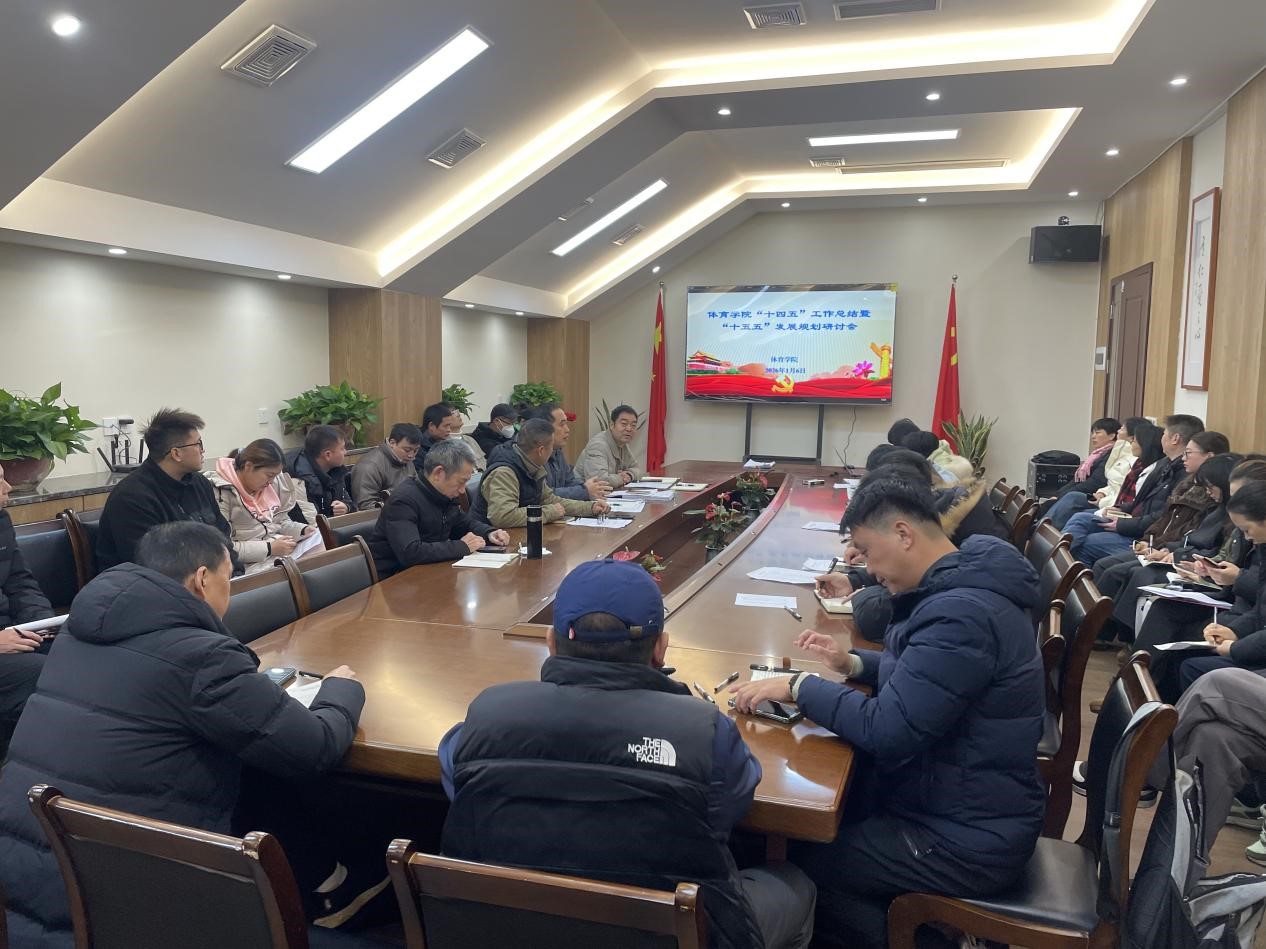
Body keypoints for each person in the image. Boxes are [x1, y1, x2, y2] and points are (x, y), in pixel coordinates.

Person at [0, 522, 365, 946]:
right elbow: (314, 749)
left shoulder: (77, 636)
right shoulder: (202, 656)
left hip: (19, 885)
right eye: (229, 578)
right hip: (122, 910)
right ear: (203, 579)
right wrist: (340, 689)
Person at [439, 559, 817, 949]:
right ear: (661, 648)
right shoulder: (706, 732)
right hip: (667, 934)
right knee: (796, 885)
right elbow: (730, 804)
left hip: (510, 929)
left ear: (551, 643)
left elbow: (457, 773)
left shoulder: (485, 716)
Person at [732, 478, 1044, 949]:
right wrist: (855, 665)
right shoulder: (965, 581)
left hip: (964, 838)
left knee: (809, 868)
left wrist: (800, 687)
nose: (869, 569)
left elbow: (889, 729)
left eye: (867, 551)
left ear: (903, 534)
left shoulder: (961, 615)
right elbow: (930, 675)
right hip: (961, 802)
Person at [95, 407, 242, 573]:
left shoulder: (200, 483)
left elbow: (222, 539)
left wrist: (236, 573)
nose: (203, 450)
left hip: (209, 579)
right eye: (198, 444)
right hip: (150, 585)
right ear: (176, 453)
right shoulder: (131, 498)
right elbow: (150, 565)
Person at [1063, 414, 1206, 565]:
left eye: (1164, 433)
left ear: (1175, 439)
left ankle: (1060, 567)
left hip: (1144, 534)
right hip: (1136, 523)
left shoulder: (1184, 475)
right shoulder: (1164, 464)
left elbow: (1163, 516)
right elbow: (1141, 501)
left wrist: (1123, 524)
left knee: (1088, 541)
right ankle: (1056, 561)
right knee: (1081, 518)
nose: (1162, 437)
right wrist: (1120, 508)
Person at [366, 439, 510, 578]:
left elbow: (464, 524)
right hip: (395, 580)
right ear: (438, 473)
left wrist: (489, 533)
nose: (462, 490)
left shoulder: (443, 496)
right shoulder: (403, 500)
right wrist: (462, 546)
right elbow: (410, 552)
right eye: (461, 482)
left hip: (430, 573)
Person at [0, 463, 56, 753]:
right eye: (0, 481)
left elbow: (21, 582)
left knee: (79, 651)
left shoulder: (1, 520)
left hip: (14, 632)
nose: (8, 487)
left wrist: (42, 623)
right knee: (44, 673)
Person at [209, 438, 320, 574]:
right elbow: (224, 547)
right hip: (248, 566)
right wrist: (269, 548)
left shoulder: (268, 486)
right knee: (307, 570)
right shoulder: (220, 492)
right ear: (248, 466)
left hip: (276, 554)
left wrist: (302, 530)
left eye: (275, 476)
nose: (271, 482)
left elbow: (279, 522)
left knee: (321, 547)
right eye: (269, 475)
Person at [473, 419, 610, 528]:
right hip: (491, 541)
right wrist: (549, 512)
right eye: (551, 448)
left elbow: (550, 500)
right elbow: (503, 516)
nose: (553, 453)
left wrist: (590, 508)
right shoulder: (504, 472)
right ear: (541, 450)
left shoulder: (532, 466)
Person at [1041, 417, 1136, 523]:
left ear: (1111, 436)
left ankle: (1038, 529)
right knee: (1053, 502)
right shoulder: (1097, 454)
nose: (1093, 436)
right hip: (1102, 496)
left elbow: (1097, 482)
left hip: (1102, 499)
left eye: (1097, 433)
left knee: (1072, 501)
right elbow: (1077, 480)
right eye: (1093, 433)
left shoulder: (1116, 455)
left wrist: (1061, 496)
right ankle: (1036, 527)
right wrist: (1058, 494)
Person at [527, 403, 612, 500]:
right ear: (544, 428)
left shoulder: (557, 450)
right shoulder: (533, 454)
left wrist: (590, 487)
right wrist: (584, 491)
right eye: (562, 424)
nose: (567, 430)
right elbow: (544, 494)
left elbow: (569, 481)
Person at [349, 422, 421, 510]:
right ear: (392, 443)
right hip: (384, 515)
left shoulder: (405, 459)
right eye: (407, 450)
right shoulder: (369, 466)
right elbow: (365, 505)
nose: (411, 455)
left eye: (416, 450)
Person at [286, 425, 352, 519]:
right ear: (328, 455)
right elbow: (309, 522)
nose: (345, 452)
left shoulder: (336, 469)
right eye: (342, 448)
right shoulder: (300, 479)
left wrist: (346, 507)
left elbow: (347, 500)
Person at [573, 404, 642, 486]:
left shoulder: (622, 444)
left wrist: (629, 475)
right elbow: (599, 481)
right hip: (582, 492)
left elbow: (637, 469)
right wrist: (621, 478)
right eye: (624, 424)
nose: (629, 429)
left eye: (633, 425)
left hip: (610, 491)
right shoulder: (598, 445)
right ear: (612, 425)